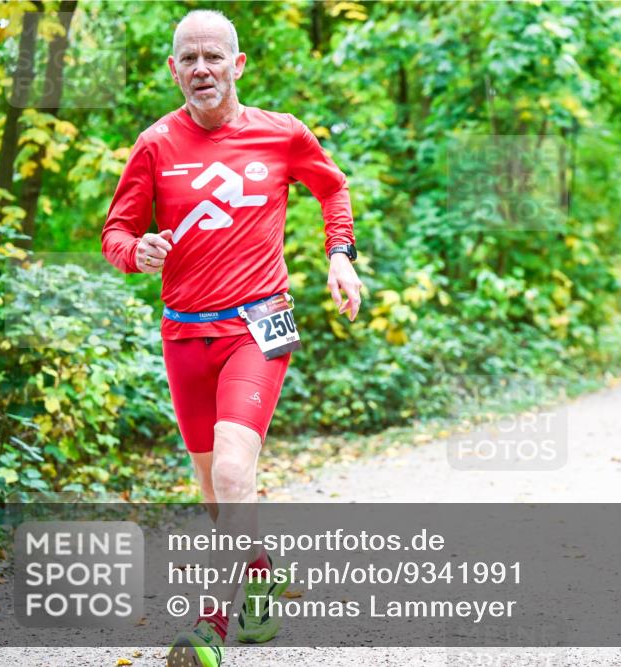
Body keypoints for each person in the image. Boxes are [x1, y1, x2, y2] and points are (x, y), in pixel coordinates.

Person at [101, 10, 362, 666]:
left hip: (259, 324)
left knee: (232, 469)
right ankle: (262, 572)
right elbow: (116, 234)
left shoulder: (282, 134)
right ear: (173, 70)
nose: (201, 69)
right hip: (185, 333)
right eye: (188, 59)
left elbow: (333, 189)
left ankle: (210, 627)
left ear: (237, 64)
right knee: (216, 489)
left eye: (213, 56)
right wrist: (137, 253)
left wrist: (339, 256)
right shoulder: (155, 144)